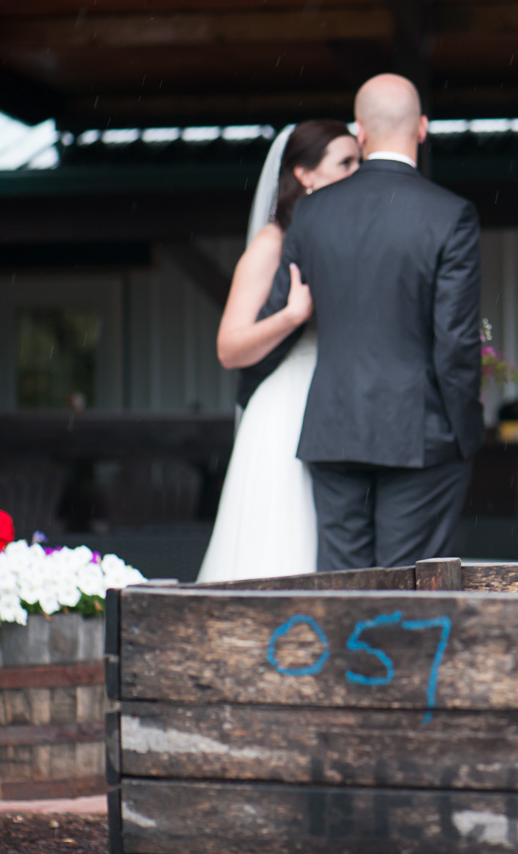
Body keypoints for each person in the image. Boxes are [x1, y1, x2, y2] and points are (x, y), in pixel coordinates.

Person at [256, 74, 483, 570]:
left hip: (333, 428)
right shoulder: (449, 215)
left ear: (360, 133)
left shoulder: (311, 214)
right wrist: (468, 431)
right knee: (407, 595)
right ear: (422, 128)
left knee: (344, 591)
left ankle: (346, 652)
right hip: (419, 433)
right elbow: (457, 341)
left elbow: (276, 322)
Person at [195, 121, 361, 583]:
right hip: (286, 403)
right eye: (346, 163)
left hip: (335, 398)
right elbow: (228, 347)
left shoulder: (345, 235)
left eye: (360, 162)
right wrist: (291, 316)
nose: (358, 171)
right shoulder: (271, 243)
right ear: (305, 174)